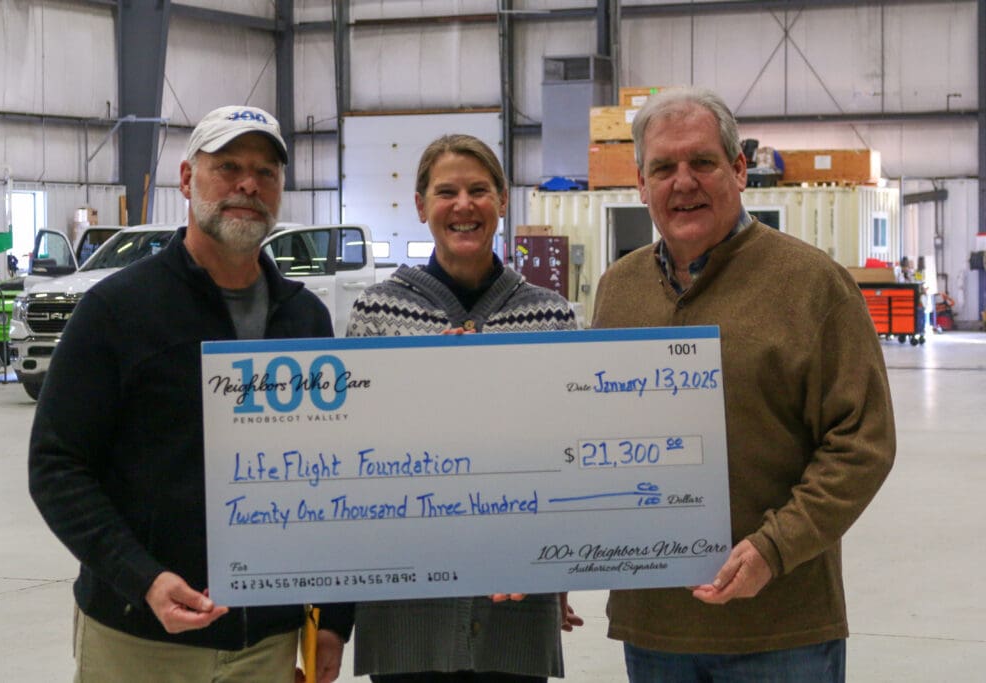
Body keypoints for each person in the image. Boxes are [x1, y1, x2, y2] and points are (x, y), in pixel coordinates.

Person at [28, 105, 351, 683]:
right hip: (141, 639)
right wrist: (142, 577)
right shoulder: (116, 311)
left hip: (268, 644)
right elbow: (57, 465)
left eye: (266, 172)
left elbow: (330, 478)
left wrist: (333, 617)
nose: (248, 184)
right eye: (227, 166)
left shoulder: (305, 320)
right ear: (186, 179)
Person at [592, 86, 896, 682]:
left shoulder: (813, 284)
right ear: (640, 184)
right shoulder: (617, 288)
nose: (683, 182)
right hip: (656, 626)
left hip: (782, 628)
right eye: (664, 167)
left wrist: (772, 548)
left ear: (737, 170)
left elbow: (862, 441)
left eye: (702, 162)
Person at [346, 133, 582, 682]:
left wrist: (567, 562)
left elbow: (569, 452)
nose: (464, 205)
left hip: (515, 605)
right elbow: (357, 452)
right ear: (421, 205)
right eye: (446, 191)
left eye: (479, 190)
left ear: (502, 200)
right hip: (407, 606)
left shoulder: (549, 315)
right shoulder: (378, 310)